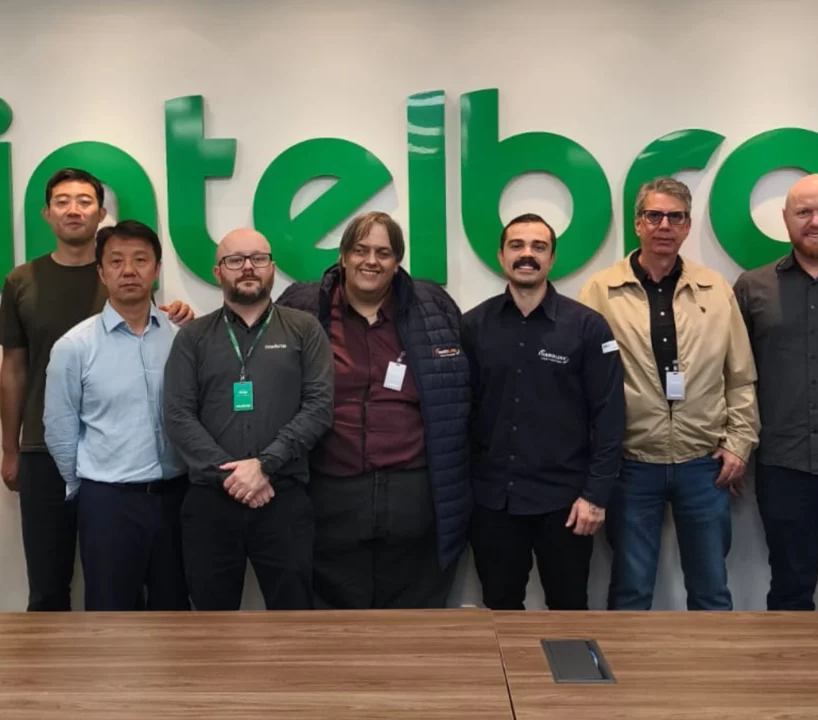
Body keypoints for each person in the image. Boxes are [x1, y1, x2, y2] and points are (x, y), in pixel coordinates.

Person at [0, 168, 193, 611]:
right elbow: (14, 369)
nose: (73, 210)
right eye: (62, 201)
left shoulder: (165, 323)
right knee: (53, 583)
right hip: (55, 453)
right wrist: (12, 449)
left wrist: (181, 317)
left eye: (84, 201)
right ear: (46, 213)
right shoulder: (24, 282)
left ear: (101, 213)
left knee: (165, 594)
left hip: (148, 473)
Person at [579, 176, 759, 611]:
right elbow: (581, 382)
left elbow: (740, 375)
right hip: (631, 462)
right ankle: (629, 660)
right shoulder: (600, 291)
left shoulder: (716, 289)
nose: (664, 225)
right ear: (638, 223)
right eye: (654, 215)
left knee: (712, 590)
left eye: (675, 217)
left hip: (704, 464)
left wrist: (739, 443)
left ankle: (710, 659)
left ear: (687, 226)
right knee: (630, 591)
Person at [275, 211, 471, 609]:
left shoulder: (432, 307)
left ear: (397, 262)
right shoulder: (304, 307)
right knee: (334, 620)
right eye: (361, 250)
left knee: (413, 620)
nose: (371, 261)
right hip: (331, 491)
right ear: (343, 256)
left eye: (383, 253)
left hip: (413, 493)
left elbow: (462, 391)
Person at [163, 227, 333, 611]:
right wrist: (234, 476)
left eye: (258, 258)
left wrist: (264, 466)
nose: (248, 267)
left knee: (294, 619)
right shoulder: (193, 338)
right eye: (235, 260)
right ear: (217, 272)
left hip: (283, 497)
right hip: (210, 503)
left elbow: (319, 406)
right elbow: (178, 415)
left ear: (271, 267)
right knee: (211, 623)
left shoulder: (304, 330)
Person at [462, 213, 625, 610]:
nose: (527, 254)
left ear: (552, 258)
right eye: (517, 245)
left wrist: (595, 496)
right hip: (493, 503)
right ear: (501, 256)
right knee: (500, 611)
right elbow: (461, 415)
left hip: (566, 503)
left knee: (569, 611)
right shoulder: (472, 326)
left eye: (539, 247)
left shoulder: (588, 327)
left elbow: (609, 417)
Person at [44, 221, 190, 612]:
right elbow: (59, 430)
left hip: (176, 497)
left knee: (175, 614)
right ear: (101, 272)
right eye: (116, 261)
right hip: (108, 502)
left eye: (140, 260)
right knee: (110, 618)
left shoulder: (181, 337)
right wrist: (88, 485)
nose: (129, 270)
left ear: (157, 269)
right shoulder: (74, 346)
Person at [734, 173, 818, 610]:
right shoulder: (752, 287)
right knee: (789, 588)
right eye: (804, 212)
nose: (815, 221)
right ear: (786, 218)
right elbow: (734, 377)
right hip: (783, 464)